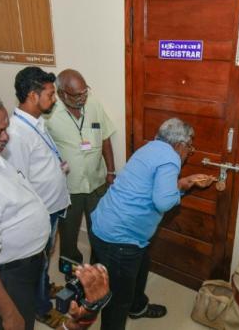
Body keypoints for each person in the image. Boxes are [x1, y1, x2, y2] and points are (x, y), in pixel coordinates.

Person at [90, 117, 215, 329]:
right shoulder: (171, 158)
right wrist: (182, 188)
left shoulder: (150, 147)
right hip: (119, 238)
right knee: (117, 300)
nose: (189, 153)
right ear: (179, 145)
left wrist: (184, 183)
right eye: (190, 147)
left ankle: (137, 307)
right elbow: (163, 201)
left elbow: (153, 187)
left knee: (140, 265)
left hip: (104, 223)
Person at [2, 66, 71, 327]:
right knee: (40, 259)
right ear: (33, 95)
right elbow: (19, 183)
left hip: (51, 206)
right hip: (40, 211)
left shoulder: (37, 122)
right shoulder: (17, 135)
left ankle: (43, 288)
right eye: (50, 95)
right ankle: (42, 308)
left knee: (45, 256)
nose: (54, 99)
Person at [0, 88, 50, 330]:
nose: (6, 137)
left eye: (6, 128)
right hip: (5, 278)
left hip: (24, 268)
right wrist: (9, 314)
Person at [45, 69, 116, 265]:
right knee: (68, 232)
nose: (83, 97)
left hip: (96, 182)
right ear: (61, 94)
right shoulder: (49, 113)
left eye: (85, 91)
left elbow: (105, 138)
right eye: (77, 94)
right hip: (69, 186)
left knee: (99, 228)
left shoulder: (93, 104)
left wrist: (111, 171)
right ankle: (71, 271)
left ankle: (98, 267)